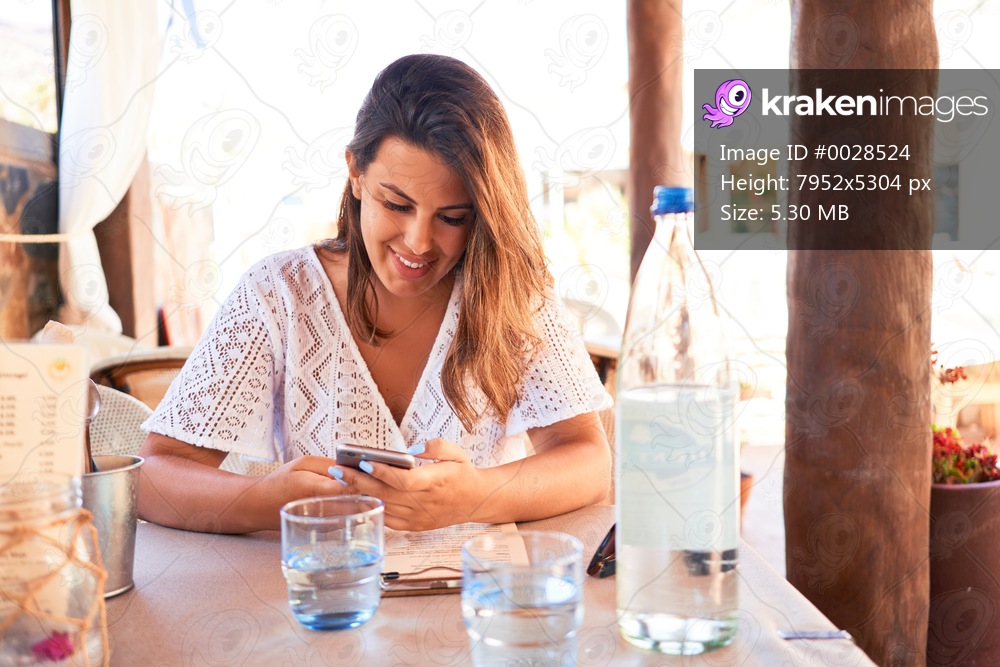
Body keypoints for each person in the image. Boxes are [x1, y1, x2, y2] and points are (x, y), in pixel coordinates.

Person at [138, 54, 612, 533]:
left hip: (480, 599)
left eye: (452, 217)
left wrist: (476, 498)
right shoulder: (278, 294)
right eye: (397, 204)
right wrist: (269, 499)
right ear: (356, 174)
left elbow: (589, 461)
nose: (419, 242)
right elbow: (153, 477)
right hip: (328, 599)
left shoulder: (514, 295)